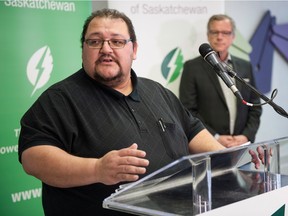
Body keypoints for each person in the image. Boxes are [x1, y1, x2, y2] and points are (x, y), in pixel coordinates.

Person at [18, 9, 261, 216]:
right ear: (83, 49)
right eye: (95, 41)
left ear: (133, 50)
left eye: (116, 41)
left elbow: (193, 132)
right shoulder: (60, 99)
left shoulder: (157, 91)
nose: (105, 48)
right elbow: (33, 158)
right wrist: (97, 169)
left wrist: (235, 158)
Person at [179, 14, 262, 148]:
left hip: (241, 146)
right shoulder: (192, 68)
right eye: (215, 32)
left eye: (225, 32)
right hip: (208, 147)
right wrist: (214, 137)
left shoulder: (245, 66)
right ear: (208, 35)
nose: (219, 37)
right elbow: (188, 111)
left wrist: (246, 135)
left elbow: (255, 107)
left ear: (233, 37)